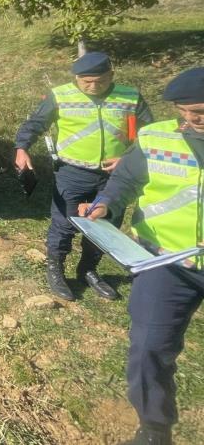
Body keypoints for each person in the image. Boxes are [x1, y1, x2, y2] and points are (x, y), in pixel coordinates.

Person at [82, 67, 204, 445]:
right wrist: (104, 202)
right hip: (165, 261)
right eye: (183, 113)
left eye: (198, 113)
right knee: (149, 345)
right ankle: (154, 428)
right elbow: (126, 178)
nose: (189, 122)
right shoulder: (156, 138)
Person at [14, 51, 152, 301]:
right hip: (72, 173)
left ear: (111, 75)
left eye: (99, 80)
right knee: (64, 224)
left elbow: (149, 134)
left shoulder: (130, 97)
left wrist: (128, 157)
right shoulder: (61, 95)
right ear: (76, 78)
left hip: (115, 177)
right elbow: (35, 123)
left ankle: (88, 269)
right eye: (85, 81)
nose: (92, 86)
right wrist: (22, 148)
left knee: (104, 226)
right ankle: (56, 269)